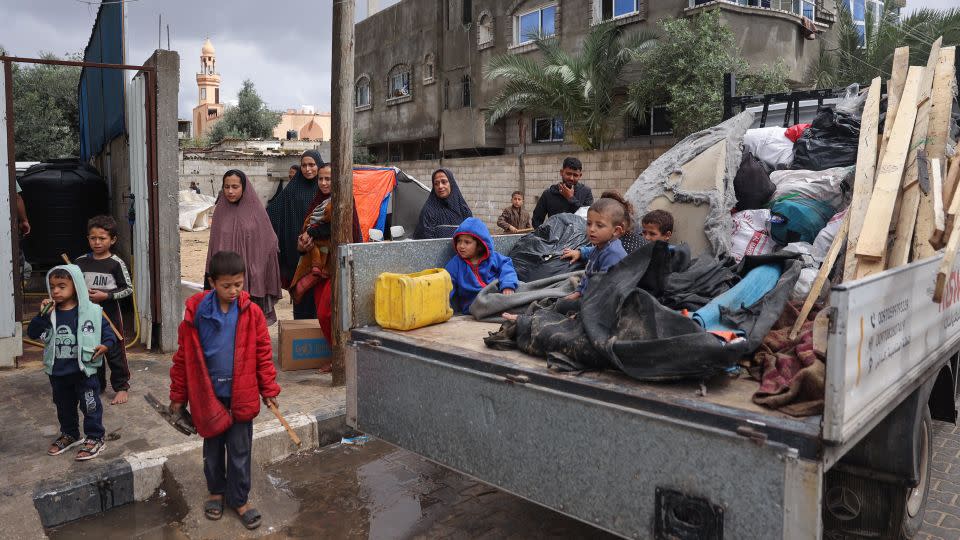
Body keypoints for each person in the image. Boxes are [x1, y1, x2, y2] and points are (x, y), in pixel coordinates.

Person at [169, 251, 281, 531]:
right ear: (212, 282)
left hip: (241, 392)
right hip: (207, 395)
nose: (233, 291)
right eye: (226, 285)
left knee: (241, 449)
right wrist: (178, 397)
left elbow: (263, 354)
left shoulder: (251, 313)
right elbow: (184, 358)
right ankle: (216, 492)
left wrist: (268, 389)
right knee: (213, 448)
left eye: (239, 285)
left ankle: (239, 499)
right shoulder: (197, 314)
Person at [28, 265, 117, 460]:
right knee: (64, 406)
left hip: (84, 372)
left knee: (90, 405)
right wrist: (42, 315)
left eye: (61, 286)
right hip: (58, 373)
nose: (56, 291)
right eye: (52, 287)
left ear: (76, 287)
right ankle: (70, 434)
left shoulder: (92, 311)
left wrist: (105, 346)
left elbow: (108, 333)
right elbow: (33, 333)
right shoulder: (49, 313)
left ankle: (95, 437)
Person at [291, 163, 361, 359]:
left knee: (329, 313)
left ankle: (342, 358)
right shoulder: (317, 202)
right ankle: (335, 356)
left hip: (339, 266)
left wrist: (311, 232)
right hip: (318, 268)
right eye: (320, 179)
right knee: (323, 316)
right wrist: (302, 242)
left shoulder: (344, 201)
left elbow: (341, 229)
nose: (323, 183)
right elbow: (306, 229)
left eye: (328, 179)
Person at [206, 170, 283, 325]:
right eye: (226, 187)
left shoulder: (256, 211)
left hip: (251, 279)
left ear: (244, 187)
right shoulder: (220, 212)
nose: (230, 191)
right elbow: (214, 245)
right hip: (225, 280)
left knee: (250, 326)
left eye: (235, 186)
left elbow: (269, 241)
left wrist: (257, 268)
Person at [75, 215, 133, 405]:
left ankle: (121, 386)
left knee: (114, 349)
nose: (97, 242)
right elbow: (72, 287)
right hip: (86, 315)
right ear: (88, 239)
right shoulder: (80, 262)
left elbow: (128, 289)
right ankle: (96, 385)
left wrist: (106, 296)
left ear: (113, 240)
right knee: (91, 347)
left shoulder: (116, 263)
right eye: (93, 238)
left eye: (102, 238)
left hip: (110, 314)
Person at [267, 150, 322, 319]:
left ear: (319, 165)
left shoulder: (325, 187)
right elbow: (273, 212)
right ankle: (302, 332)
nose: (307, 169)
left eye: (311, 165)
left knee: (321, 297)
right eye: (304, 165)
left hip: (322, 252)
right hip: (297, 253)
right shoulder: (292, 189)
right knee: (301, 296)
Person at [445, 217, 517, 313]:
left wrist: (508, 285)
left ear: (479, 245)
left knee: (524, 288)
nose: (461, 246)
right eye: (459, 241)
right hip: (475, 304)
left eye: (467, 242)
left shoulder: (492, 258)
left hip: (499, 292)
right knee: (514, 304)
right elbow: (446, 287)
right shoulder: (455, 264)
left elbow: (507, 267)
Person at [562, 192, 646, 263]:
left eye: (599, 225)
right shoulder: (607, 242)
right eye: (589, 223)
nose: (592, 229)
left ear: (617, 229)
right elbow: (597, 250)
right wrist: (580, 252)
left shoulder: (618, 254)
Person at [531, 157, 594, 227]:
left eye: (575, 175)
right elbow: (536, 220)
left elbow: (589, 217)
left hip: (578, 237)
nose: (571, 178)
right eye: (568, 174)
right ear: (561, 172)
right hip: (555, 237)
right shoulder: (548, 194)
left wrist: (571, 198)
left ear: (580, 176)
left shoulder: (586, 192)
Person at [413, 169, 473, 239]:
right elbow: (426, 243)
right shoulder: (428, 212)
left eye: (444, 182)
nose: (440, 186)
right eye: (436, 183)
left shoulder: (464, 209)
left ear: (451, 183)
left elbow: (471, 237)